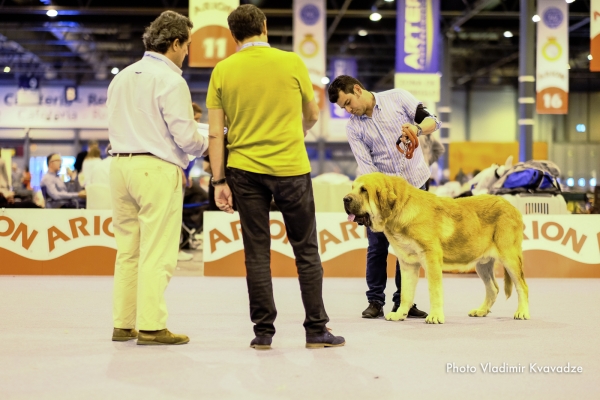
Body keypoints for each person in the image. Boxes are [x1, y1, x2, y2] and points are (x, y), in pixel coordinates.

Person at [207, 4, 344, 350]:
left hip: (244, 170)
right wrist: (292, 133)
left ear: (233, 35)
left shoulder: (222, 70)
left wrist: (219, 181)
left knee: (256, 252)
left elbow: (214, 134)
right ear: (265, 27)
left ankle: (263, 333)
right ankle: (316, 330)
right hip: (291, 169)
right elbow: (312, 115)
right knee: (307, 250)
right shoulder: (293, 62)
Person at [107, 10, 208, 345]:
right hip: (155, 169)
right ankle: (151, 326)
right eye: (187, 45)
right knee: (157, 251)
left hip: (120, 167)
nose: (187, 52)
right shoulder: (170, 80)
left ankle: (124, 324)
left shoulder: (121, 77)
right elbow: (187, 139)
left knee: (128, 251)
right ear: (175, 43)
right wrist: (213, 140)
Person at [328, 75, 441, 319]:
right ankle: (375, 301)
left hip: (416, 186)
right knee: (377, 247)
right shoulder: (353, 127)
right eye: (343, 107)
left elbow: (434, 121)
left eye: (348, 102)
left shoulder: (398, 98)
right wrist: (374, 202)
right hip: (382, 196)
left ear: (357, 89)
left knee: (411, 247)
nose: (348, 110)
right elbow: (367, 170)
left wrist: (417, 129)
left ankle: (404, 302)